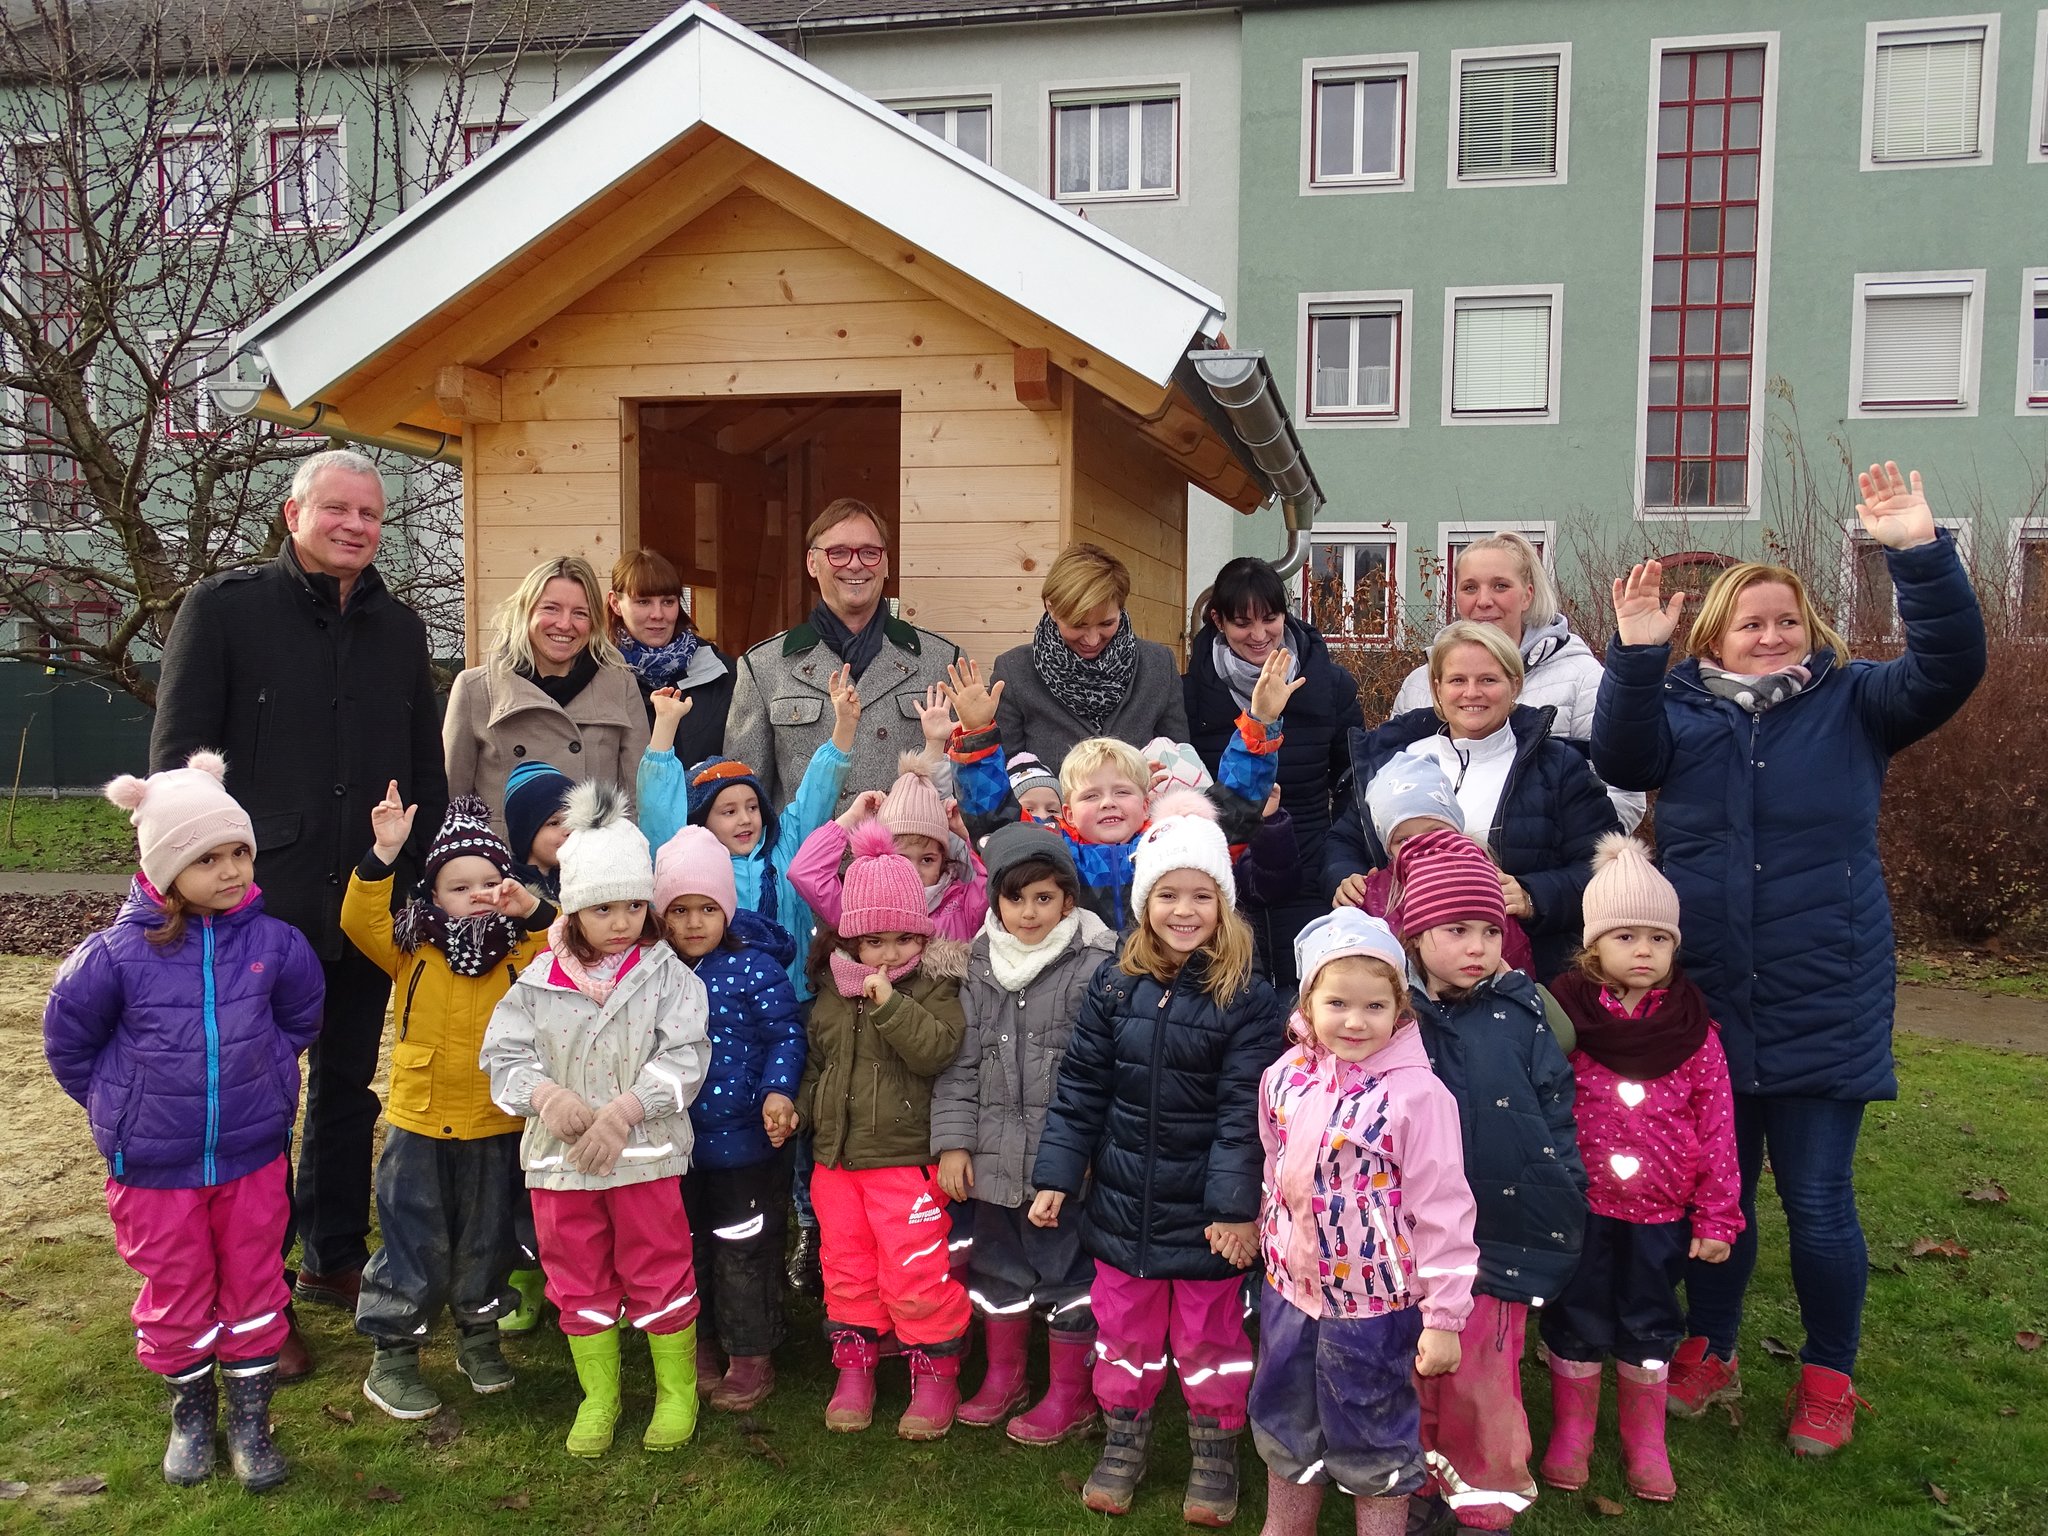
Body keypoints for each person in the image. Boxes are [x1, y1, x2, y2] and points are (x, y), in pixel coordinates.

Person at [1591, 460, 1985, 1457]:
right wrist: (1636, 656)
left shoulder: (1858, 701)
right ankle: (1710, 1345)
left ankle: (1825, 1374)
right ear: (1713, 634)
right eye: (1749, 623)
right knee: (1715, 1192)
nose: (1770, 637)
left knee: (1815, 1201)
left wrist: (1916, 555)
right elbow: (1621, 760)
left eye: (1785, 620)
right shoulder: (1679, 711)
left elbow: (1949, 667)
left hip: (1824, 989)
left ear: (1809, 629)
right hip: (1710, 995)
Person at [150, 446, 448, 1365]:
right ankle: (257, 1289)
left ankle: (331, 1254)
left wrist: (423, 882)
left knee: (351, 1087)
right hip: (256, 905)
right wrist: (185, 887)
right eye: (338, 510)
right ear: (293, 514)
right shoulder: (225, 611)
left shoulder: (400, 630)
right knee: (258, 1101)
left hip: (365, 899)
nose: (356, 525)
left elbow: (422, 768)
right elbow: (176, 764)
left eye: (371, 514)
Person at [44, 752, 323, 1491]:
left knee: (256, 1287)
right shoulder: (113, 956)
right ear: (165, 868)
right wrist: (122, 1106)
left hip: (251, 1160)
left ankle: (253, 1422)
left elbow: (299, 1019)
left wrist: (262, 1073)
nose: (231, 870)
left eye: (239, 852)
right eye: (207, 857)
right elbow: (71, 1044)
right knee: (175, 1290)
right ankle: (193, 1416)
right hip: (155, 1171)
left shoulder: (275, 945)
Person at [1030, 808, 1288, 1525]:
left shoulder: (1247, 998)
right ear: (1145, 904)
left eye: (1201, 895)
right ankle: (1123, 1441)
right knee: (1127, 1336)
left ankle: (1214, 1452)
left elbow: (1246, 1114)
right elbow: (1080, 1089)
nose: (1184, 911)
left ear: (1223, 904)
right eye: (1168, 895)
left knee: (1211, 1342)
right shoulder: (1115, 986)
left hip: (1207, 1219)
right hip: (1121, 1208)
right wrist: (1056, 1175)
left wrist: (1234, 1209)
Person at [479, 783, 713, 1457]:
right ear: (573, 906)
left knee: (660, 1265)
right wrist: (547, 1098)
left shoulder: (672, 979)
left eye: (634, 905)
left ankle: (675, 1393)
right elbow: (503, 1058)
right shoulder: (537, 982)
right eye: (603, 907)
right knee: (576, 1274)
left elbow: (687, 1055)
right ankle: (600, 1396)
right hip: (562, 1164)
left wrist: (629, 1110)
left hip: (645, 1158)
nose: (620, 921)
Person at [1251, 909, 1479, 1536]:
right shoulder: (1285, 1077)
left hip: (1373, 1304)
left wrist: (1445, 1317)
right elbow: (1274, 1171)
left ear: (1401, 1009)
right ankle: (1286, 1524)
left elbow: (1444, 1208)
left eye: (1375, 1006)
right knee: (1286, 1414)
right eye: (1338, 1003)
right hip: (1290, 1294)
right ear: (1308, 1001)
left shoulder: (1417, 1097)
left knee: (1373, 1429)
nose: (1355, 1021)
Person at [1537, 836, 1740, 1504]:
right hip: (1585, 1208)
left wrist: (1717, 1214)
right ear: (1594, 945)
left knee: (1649, 1322)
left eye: (1659, 937)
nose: (1645, 950)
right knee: (1578, 1318)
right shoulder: (1569, 1021)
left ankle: (1644, 1440)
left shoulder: (1692, 1031)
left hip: (1661, 1213)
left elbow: (1716, 1128)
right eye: (1626, 935)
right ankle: (1573, 1432)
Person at [342, 790, 556, 1420]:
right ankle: (394, 1354)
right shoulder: (411, 946)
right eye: (459, 885)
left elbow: (571, 942)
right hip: (421, 1116)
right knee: (412, 1234)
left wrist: (532, 909)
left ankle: (480, 1337)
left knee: (489, 1236)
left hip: (497, 1118)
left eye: (491, 881)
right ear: (434, 894)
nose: (476, 894)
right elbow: (362, 920)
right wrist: (384, 851)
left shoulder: (523, 950)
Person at [1395, 834, 1585, 1533]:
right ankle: (1414, 1486)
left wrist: (1561, 1182)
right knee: (1414, 1370)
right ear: (1416, 937)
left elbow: (1556, 1107)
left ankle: (1484, 1501)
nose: (1477, 945)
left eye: (1488, 930)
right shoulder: (1397, 1021)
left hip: (1506, 1230)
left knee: (1485, 1385)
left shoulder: (1523, 1012)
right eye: (1455, 930)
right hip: (1413, 1239)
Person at [931, 822, 1118, 1443]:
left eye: (1044, 897)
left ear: (1069, 899)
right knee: (997, 1269)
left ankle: (1073, 1391)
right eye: (1016, 899)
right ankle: (1005, 1375)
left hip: (1059, 1164)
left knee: (1066, 1272)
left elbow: (1102, 1074)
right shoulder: (979, 965)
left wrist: (1082, 1159)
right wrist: (955, 1144)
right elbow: (961, 1063)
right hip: (990, 1158)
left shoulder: (1094, 968)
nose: (1029, 912)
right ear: (995, 903)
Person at [792, 822, 973, 1440]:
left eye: (902, 938)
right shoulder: (832, 993)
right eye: (874, 941)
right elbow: (818, 1061)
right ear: (852, 938)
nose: (889, 953)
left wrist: (892, 1006)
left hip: (904, 1160)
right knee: (845, 1266)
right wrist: (796, 1106)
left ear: (921, 932)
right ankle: (856, 1368)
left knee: (915, 1269)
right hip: (836, 1163)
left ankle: (934, 1375)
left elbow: (937, 1051)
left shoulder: (936, 986)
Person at [1327, 621, 1620, 979]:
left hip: (1519, 974)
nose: (1472, 693)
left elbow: (1603, 872)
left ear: (1514, 685)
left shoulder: (1557, 767)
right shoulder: (1394, 759)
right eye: (1457, 680)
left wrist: (1533, 896)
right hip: (1398, 982)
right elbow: (1343, 840)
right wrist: (1344, 878)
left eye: (1488, 680)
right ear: (1437, 688)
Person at [946, 655, 1296, 932]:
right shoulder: (1052, 850)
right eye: (1091, 796)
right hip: (1076, 993)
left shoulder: (1172, 842)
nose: (1108, 802)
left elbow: (1235, 807)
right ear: (1067, 813)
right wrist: (977, 734)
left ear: (1146, 805)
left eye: (1122, 791)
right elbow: (994, 820)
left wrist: (1260, 721)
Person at [652, 825, 805, 1413]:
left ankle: (752, 1353)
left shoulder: (753, 969)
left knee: (743, 1252)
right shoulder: (653, 973)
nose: (694, 922)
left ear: (727, 910)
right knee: (685, 1249)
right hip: (671, 1145)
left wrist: (777, 1093)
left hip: (742, 1145)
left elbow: (785, 1034)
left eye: (708, 908)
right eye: (680, 910)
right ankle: (700, 1345)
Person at [1185, 557, 1364, 992]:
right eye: (1243, 623)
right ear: (1218, 621)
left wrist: (1337, 858)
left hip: (1309, 867)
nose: (1260, 635)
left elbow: (1353, 782)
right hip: (1222, 874)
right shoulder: (1191, 691)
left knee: (1308, 996)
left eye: (1271, 618)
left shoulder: (1329, 684)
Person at [1389, 534, 1642, 830]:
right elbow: (1390, 785)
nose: (1484, 601)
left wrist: (1559, 865)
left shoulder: (1581, 679)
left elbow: (1622, 793)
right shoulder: (1422, 683)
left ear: (1527, 595)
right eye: (1470, 587)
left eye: (1500, 586)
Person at [727, 497, 962, 812]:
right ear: (813, 563)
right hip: (807, 861)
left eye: (870, 552)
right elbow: (741, 798)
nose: (855, 564)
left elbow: (964, 789)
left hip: (908, 860)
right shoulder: (764, 668)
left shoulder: (940, 661)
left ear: (886, 563)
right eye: (838, 553)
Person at [444, 555, 649, 841]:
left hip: (595, 868)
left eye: (580, 613)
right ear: (525, 612)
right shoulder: (475, 689)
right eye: (551, 608)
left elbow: (638, 796)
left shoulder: (620, 685)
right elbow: (453, 802)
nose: (565, 624)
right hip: (504, 872)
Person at [990, 542, 1188, 770]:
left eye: (1107, 623)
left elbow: (1181, 762)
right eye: (1078, 625)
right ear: (1051, 608)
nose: (1093, 640)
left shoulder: (1158, 664)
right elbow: (1006, 775)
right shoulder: (1014, 671)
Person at [1356, 751, 1537, 976]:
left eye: (1435, 832)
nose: (1423, 845)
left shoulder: (1481, 879)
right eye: (1403, 840)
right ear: (1387, 848)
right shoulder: (1374, 895)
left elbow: (1515, 956)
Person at [791, 752, 988, 944]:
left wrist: (968, 832)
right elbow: (805, 872)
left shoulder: (961, 907)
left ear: (943, 860)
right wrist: (851, 818)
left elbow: (997, 878)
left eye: (927, 859)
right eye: (901, 857)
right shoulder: (860, 906)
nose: (914, 872)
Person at [608, 547, 733, 764]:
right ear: (615, 604)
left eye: (668, 601)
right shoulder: (596, 676)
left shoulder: (722, 673)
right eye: (643, 602)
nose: (658, 615)